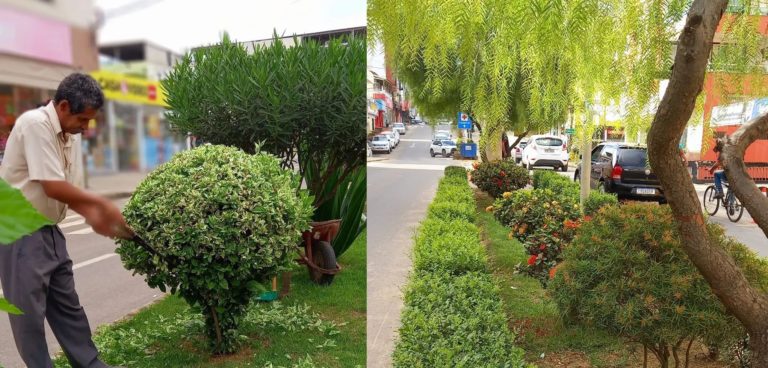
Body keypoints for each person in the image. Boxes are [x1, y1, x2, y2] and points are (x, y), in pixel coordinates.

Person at [0, 73, 132, 368]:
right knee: (28, 318)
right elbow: (52, 185)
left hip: (49, 230)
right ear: (62, 106)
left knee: (68, 307)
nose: (85, 128)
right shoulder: (35, 124)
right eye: (83, 120)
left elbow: (67, 190)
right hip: (20, 232)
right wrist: (102, 205)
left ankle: (90, 364)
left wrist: (93, 217)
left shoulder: (68, 134)